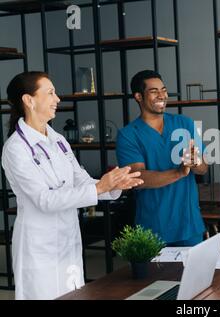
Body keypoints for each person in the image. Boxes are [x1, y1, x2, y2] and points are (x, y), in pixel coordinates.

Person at [1, 71, 143, 300]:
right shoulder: (16, 148)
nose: (57, 99)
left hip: (68, 239)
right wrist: (99, 188)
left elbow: (81, 180)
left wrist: (114, 185)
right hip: (38, 247)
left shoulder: (58, 139)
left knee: (73, 295)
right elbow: (44, 200)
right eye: (50, 93)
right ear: (29, 100)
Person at [116, 70, 208, 246]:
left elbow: (204, 168)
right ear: (138, 97)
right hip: (152, 230)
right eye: (154, 91)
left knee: (195, 274)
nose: (162, 95)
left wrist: (196, 163)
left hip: (189, 226)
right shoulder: (128, 135)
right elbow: (138, 178)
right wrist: (179, 172)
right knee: (157, 275)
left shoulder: (184, 123)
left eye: (163, 90)